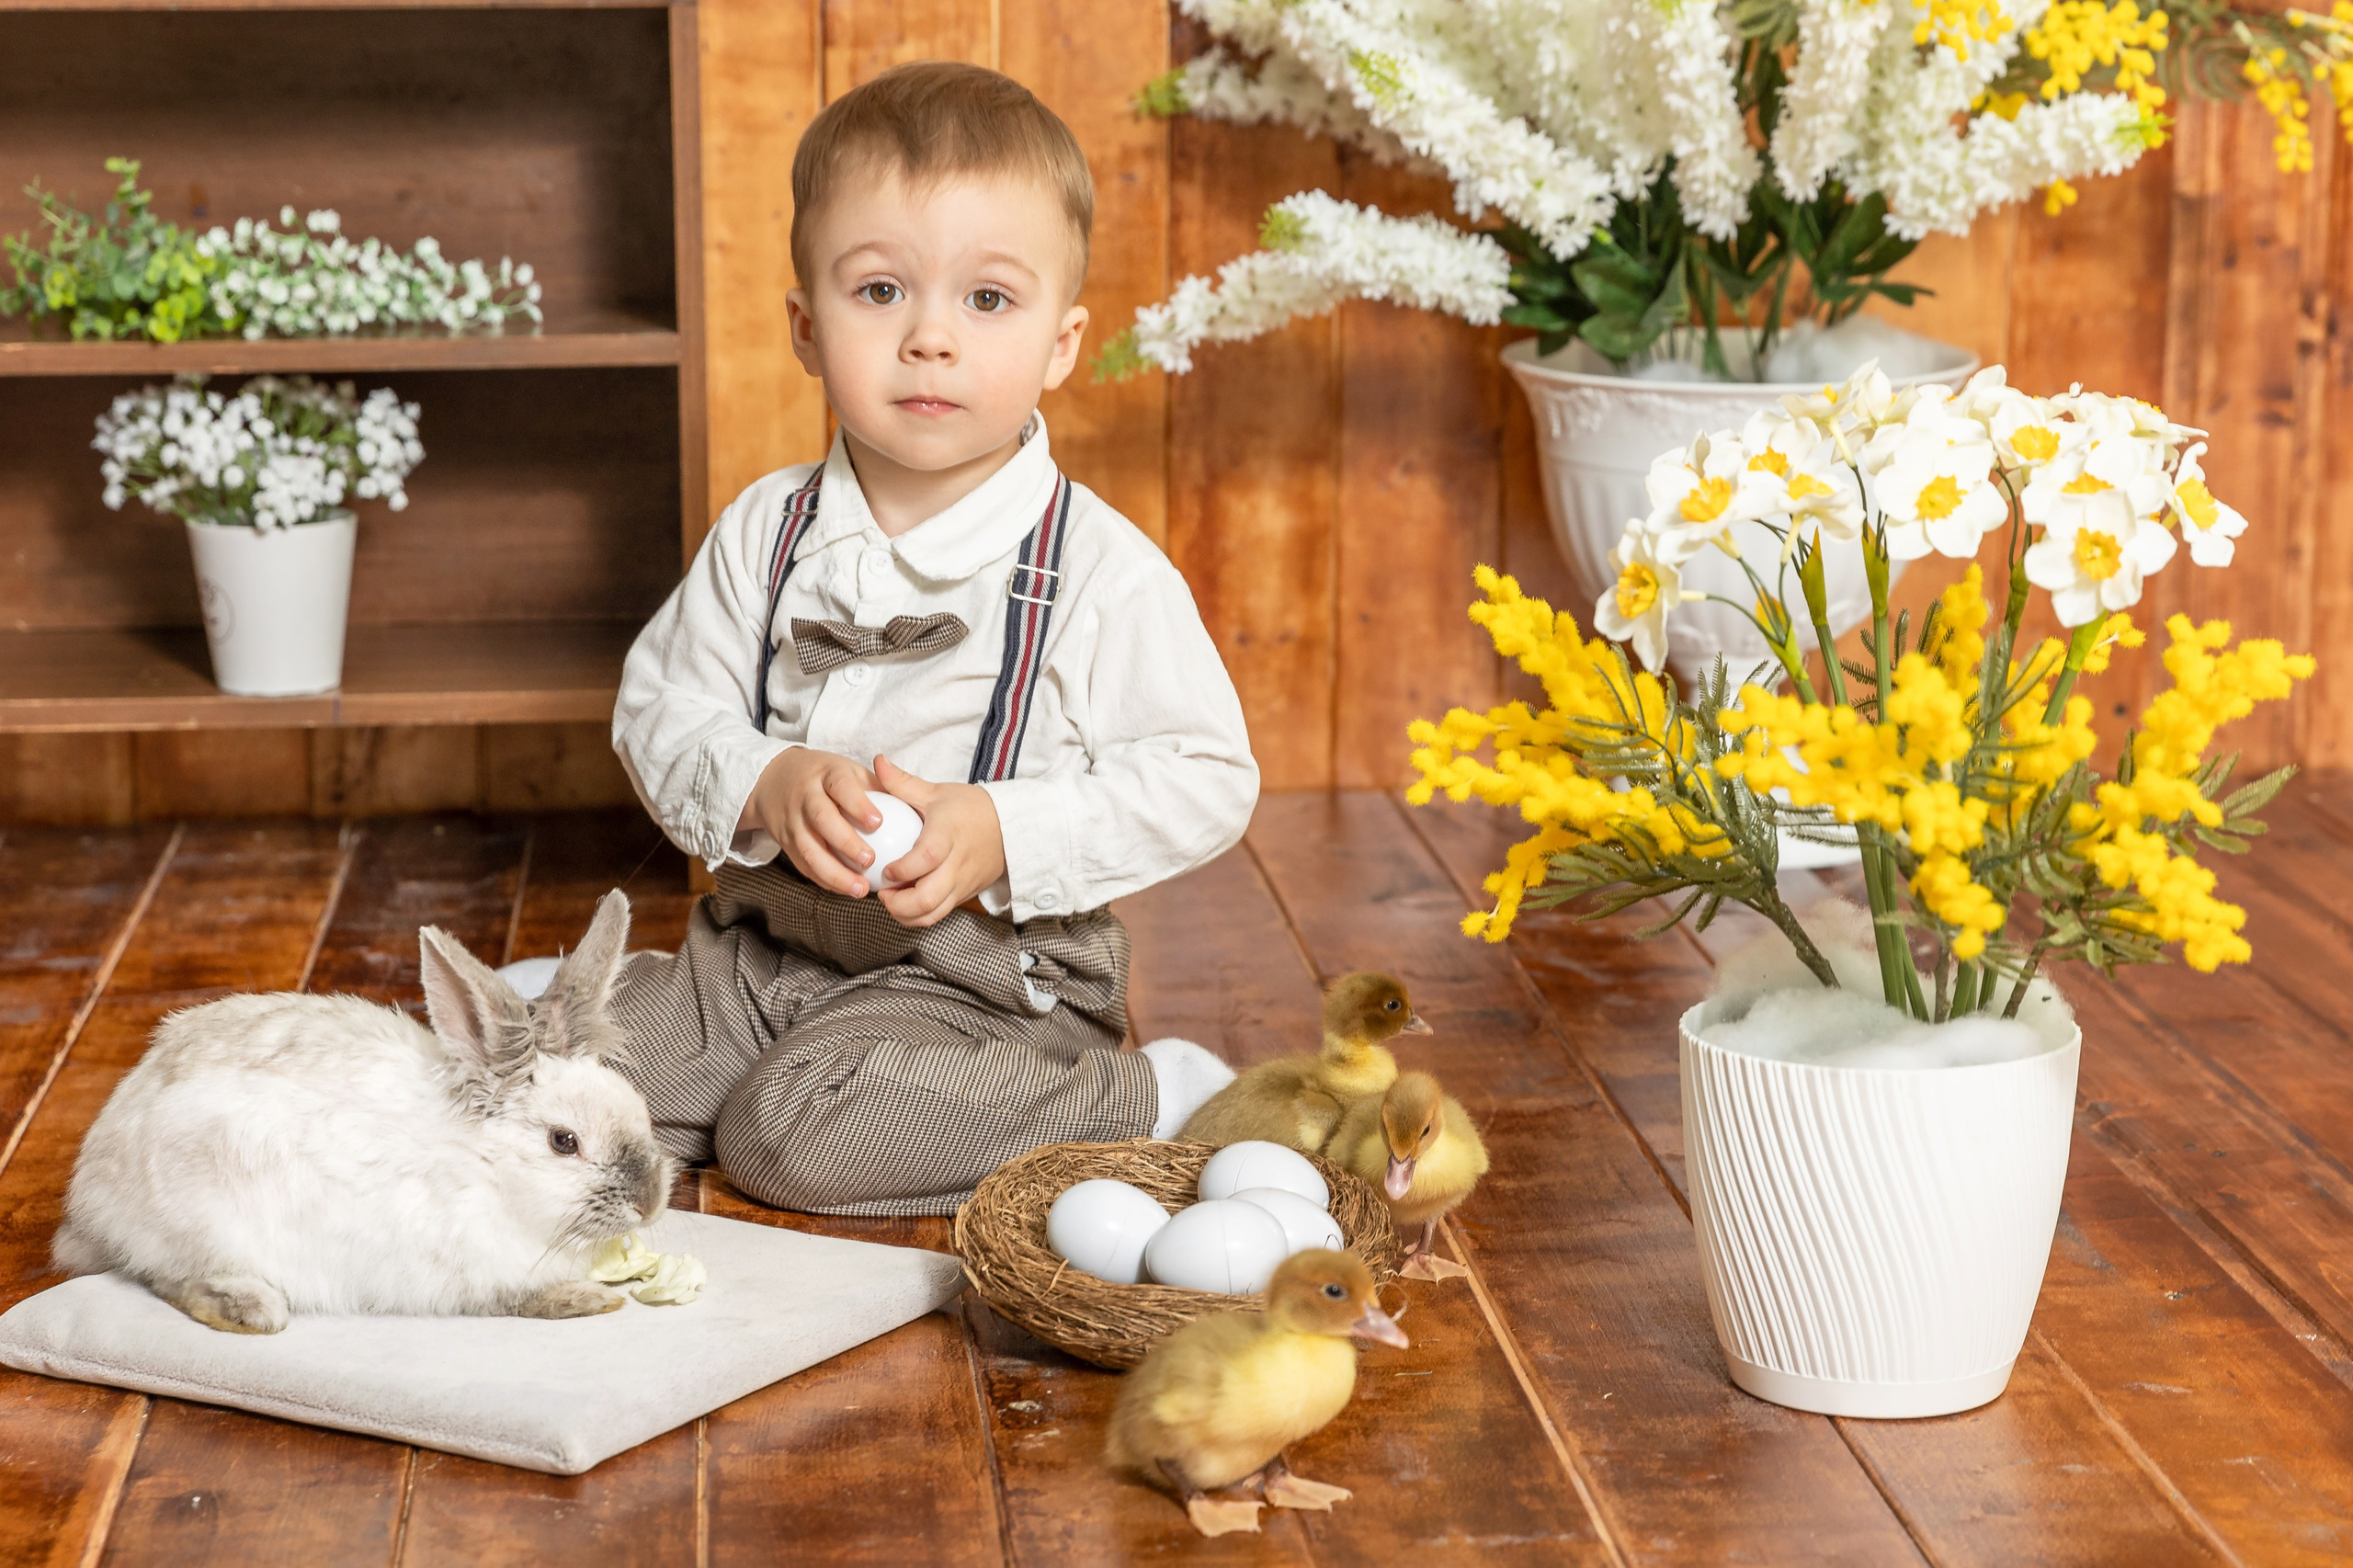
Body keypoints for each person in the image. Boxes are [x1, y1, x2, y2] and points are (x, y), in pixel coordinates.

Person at [597, 61, 1254, 1216]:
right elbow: (659, 704)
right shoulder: (768, 530)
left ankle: (1143, 1093)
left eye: (987, 301)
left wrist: (1007, 824)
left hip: (983, 985)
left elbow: (1205, 775)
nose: (930, 340)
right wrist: (767, 775)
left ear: (1060, 341)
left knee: (790, 1140)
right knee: (559, 1090)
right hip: (761, 952)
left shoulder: (1093, 568)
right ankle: (685, 1044)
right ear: (807, 326)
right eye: (880, 292)